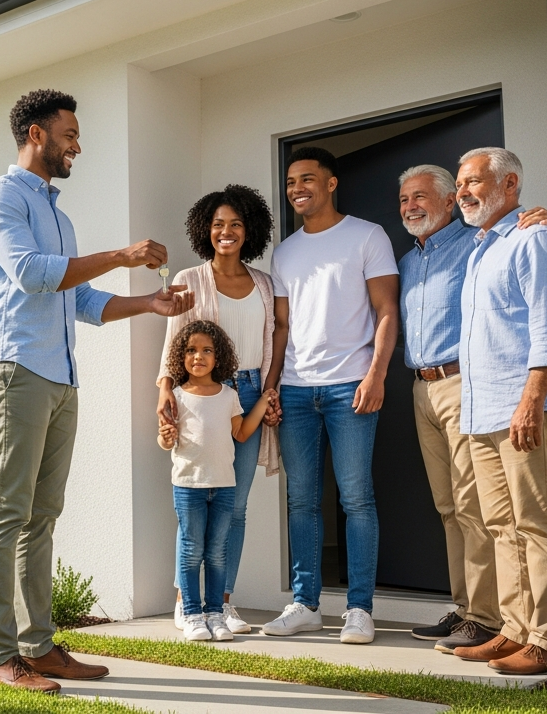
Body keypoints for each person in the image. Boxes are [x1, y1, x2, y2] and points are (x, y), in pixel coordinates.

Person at [0, 89, 195, 694]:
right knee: (7, 513)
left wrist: (148, 303)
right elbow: (32, 274)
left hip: (59, 377)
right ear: (36, 134)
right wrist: (121, 254)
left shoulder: (61, 218)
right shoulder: (0, 198)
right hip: (16, 369)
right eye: (69, 134)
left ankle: (38, 647)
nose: (77, 145)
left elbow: (80, 300)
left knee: (41, 517)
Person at [395, 164, 547, 655]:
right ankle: (474, 609)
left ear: (449, 202)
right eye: (404, 199)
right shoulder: (409, 261)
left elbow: (534, 258)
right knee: (454, 508)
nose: (410, 206)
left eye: (421, 196)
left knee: (481, 508)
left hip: (466, 384)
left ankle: (489, 618)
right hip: (424, 387)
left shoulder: (476, 242)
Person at [261, 146, 399, 645]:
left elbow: (387, 310)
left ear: (331, 183)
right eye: (291, 181)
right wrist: (272, 384)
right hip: (297, 389)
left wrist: (377, 374)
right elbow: (281, 326)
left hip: (350, 386)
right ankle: (306, 604)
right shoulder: (285, 251)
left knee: (356, 497)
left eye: (307, 179)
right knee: (301, 500)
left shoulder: (367, 235)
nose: (297, 188)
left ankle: (360, 609)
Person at [449, 147, 547, 675]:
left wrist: (532, 402)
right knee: (502, 526)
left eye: (473, 181)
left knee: (540, 524)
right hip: (482, 412)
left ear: (510, 185)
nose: (462, 192)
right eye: (460, 183)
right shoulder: (481, 249)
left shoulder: (536, 238)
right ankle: (516, 630)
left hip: (523, 409)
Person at [155, 185, 282, 637]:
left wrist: (268, 393)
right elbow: (175, 341)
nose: (226, 232)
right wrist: (164, 390)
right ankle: (185, 602)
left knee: (236, 506)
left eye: (236, 224)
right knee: (194, 501)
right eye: (217, 224)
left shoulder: (264, 284)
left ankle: (222, 604)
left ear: (250, 230)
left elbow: (273, 341)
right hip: (203, 395)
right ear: (205, 230)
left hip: (248, 393)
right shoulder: (190, 279)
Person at [157, 320, 275, 642]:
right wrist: (166, 437)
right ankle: (192, 614)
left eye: (207, 350)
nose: (198, 356)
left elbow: (241, 433)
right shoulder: (177, 397)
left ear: (218, 356)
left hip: (224, 485)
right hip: (188, 486)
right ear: (180, 356)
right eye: (191, 350)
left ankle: (214, 613)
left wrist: (262, 403)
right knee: (191, 550)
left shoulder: (229, 395)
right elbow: (166, 440)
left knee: (217, 552)